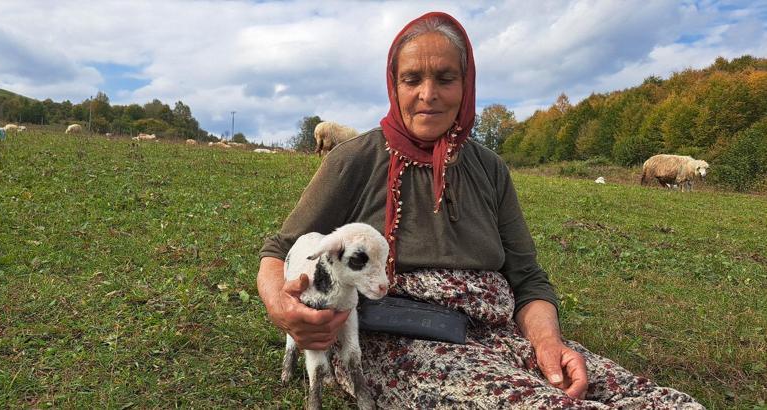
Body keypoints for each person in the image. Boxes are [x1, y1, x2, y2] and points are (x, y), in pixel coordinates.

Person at [257, 11, 703, 409]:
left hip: (500, 332)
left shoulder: (489, 168)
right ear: (394, 86)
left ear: (465, 86)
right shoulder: (354, 159)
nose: (428, 94)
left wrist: (548, 343)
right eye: (412, 79)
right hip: (399, 340)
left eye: (445, 78)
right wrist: (284, 308)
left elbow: (527, 279)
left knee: (662, 400)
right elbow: (279, 250)